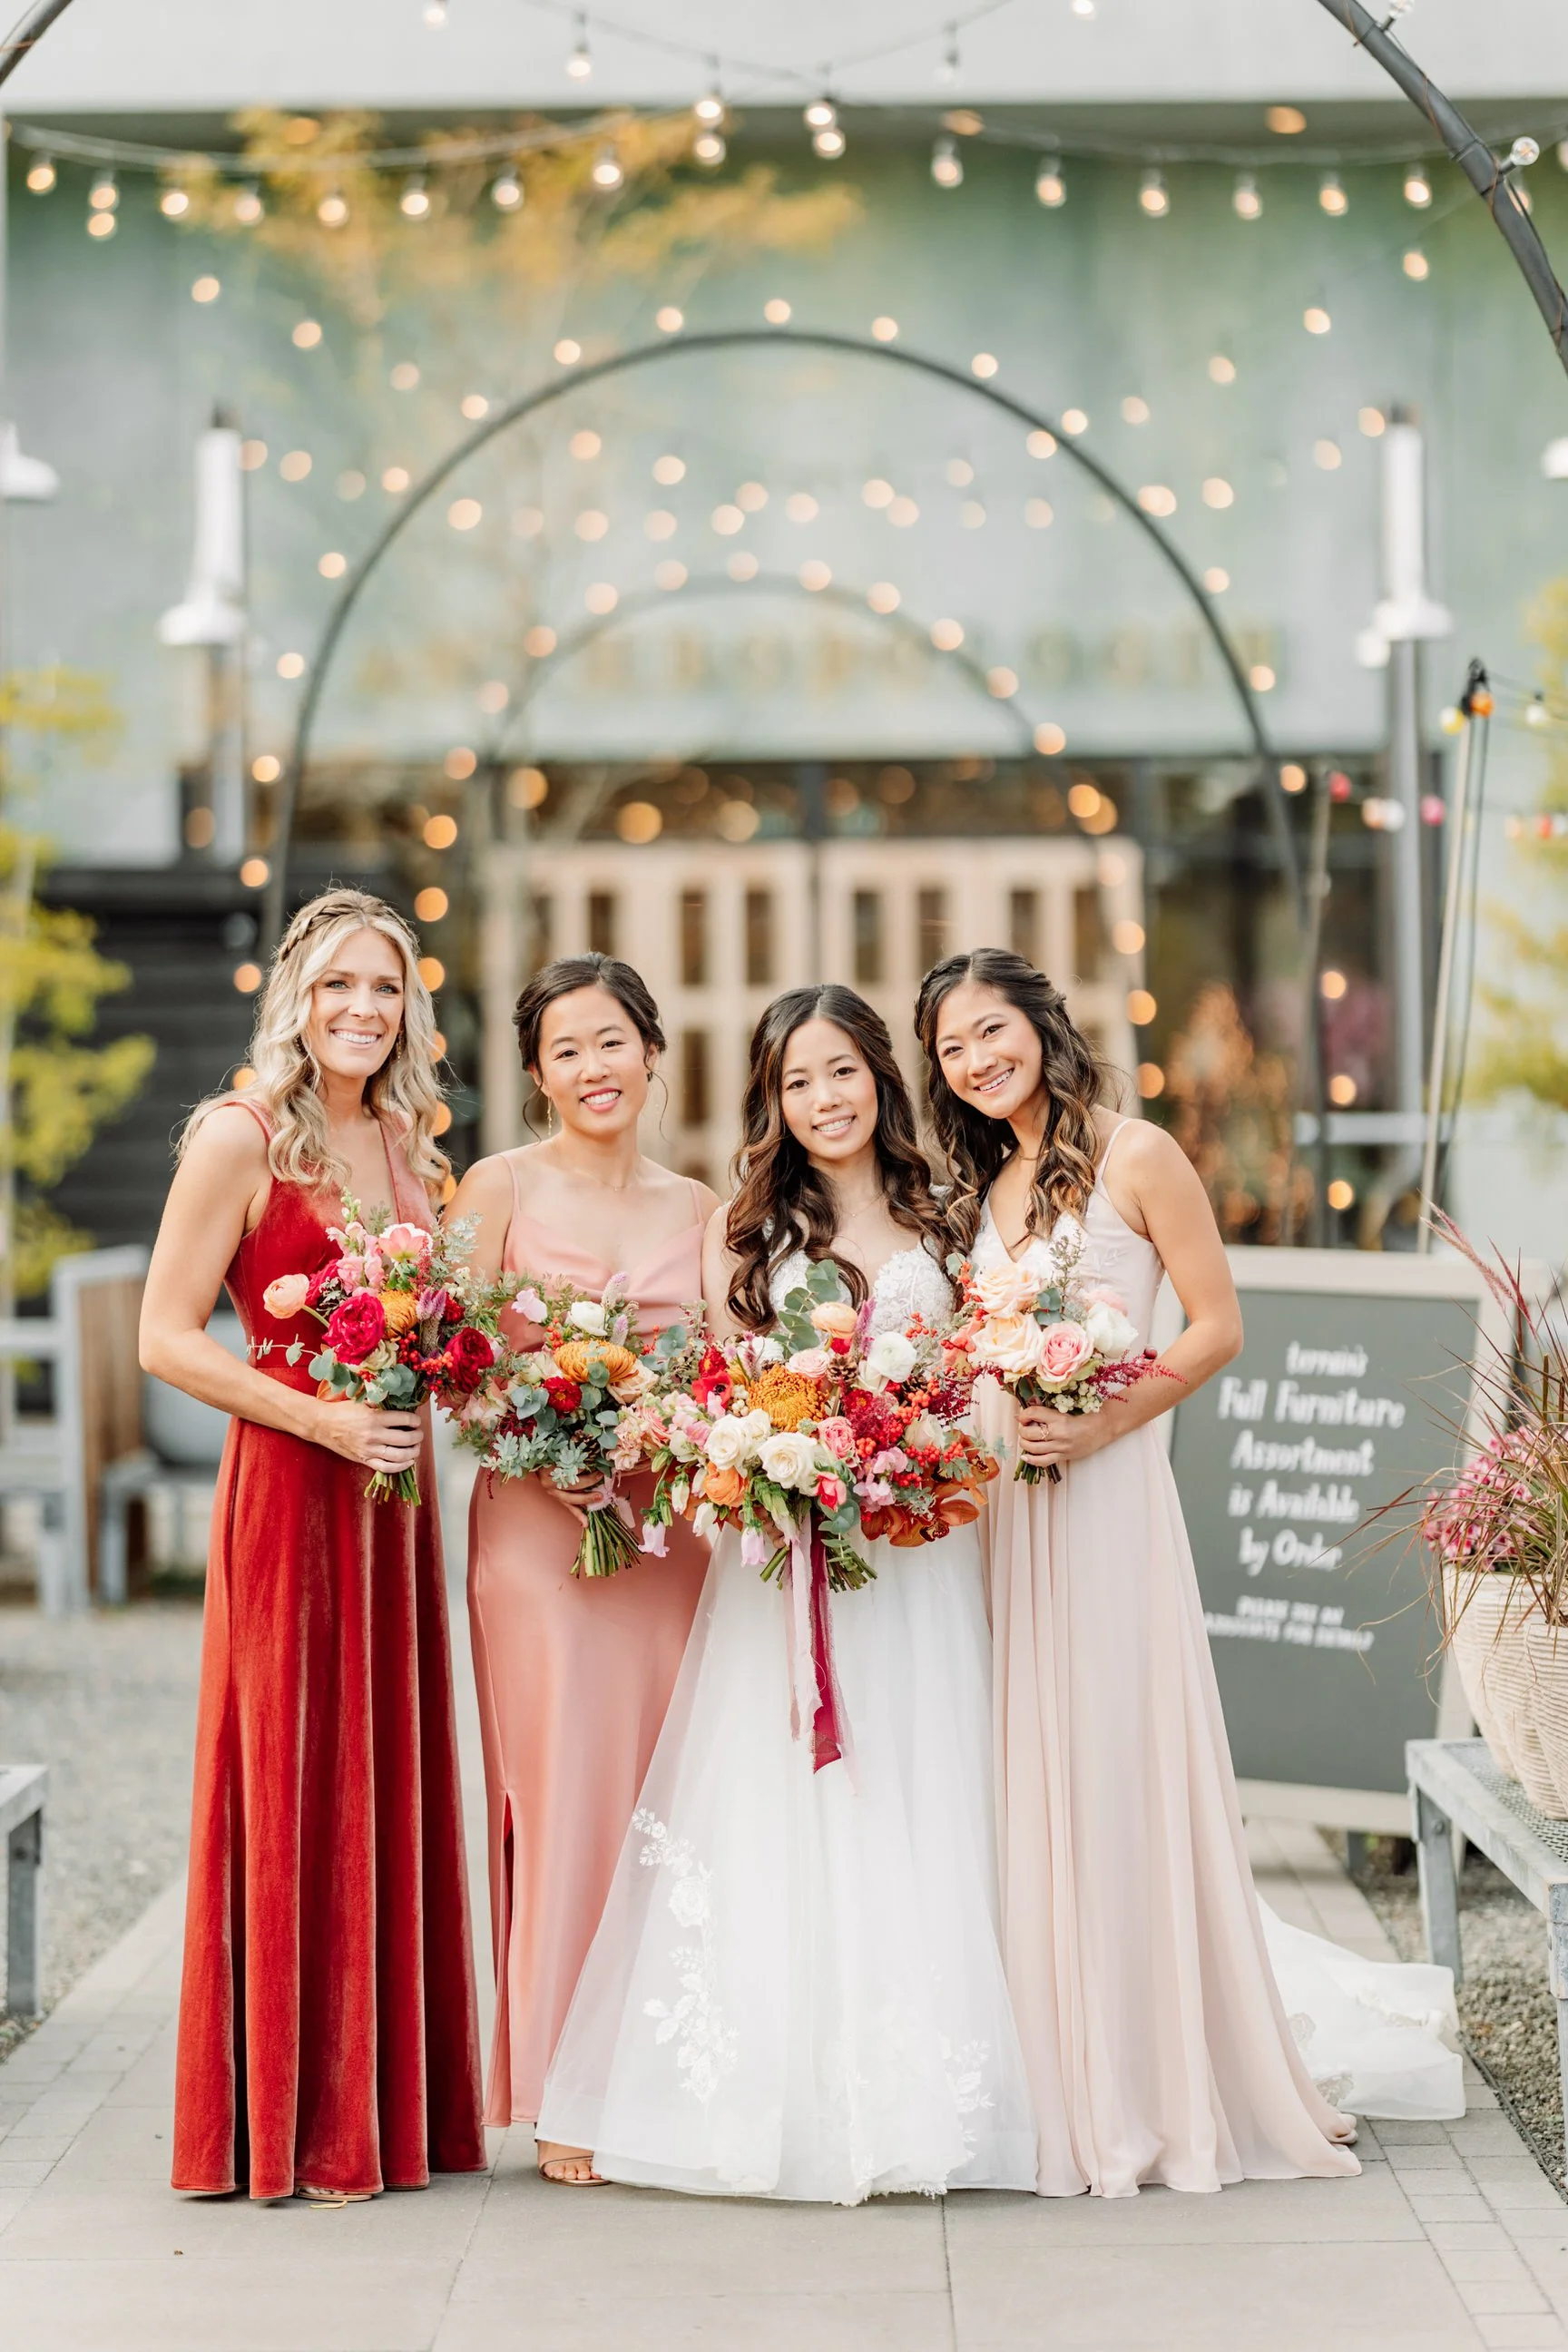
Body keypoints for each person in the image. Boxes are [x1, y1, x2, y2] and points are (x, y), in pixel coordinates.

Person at [915, 946, 1461, 2202]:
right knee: (1022, 1763)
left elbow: (1218, 1323)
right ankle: (1053, 2051)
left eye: (992, 1031)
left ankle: (1154, 2068)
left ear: (1044, 1027)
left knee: (1115, 1755)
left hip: (1105, 1503)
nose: (977, 1060)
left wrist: (1107, 1421)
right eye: (951, 1047)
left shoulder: (1139, 1154)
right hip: (1006, 1504)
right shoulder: (982, 1185)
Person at [536, 985, 1036, 2202]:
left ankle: (935, 2087)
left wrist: (917, 1456)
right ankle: (769, 2087)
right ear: (772, 1099)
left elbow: (984, 1386)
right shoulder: (743, 1232)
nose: (824, 1099)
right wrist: (768, 1460)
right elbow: (719, 1393)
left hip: (915, 1562)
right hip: (786, 1568)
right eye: (798, 1081)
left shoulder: (947, 1216)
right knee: (777, 1811)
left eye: (843, 1072)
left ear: (881, 1078)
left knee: (920, 1788)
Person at [142, 889, 485, 2204]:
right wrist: (320, 1419)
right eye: (339, 984)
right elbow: (165, 1338)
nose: (362, 1008)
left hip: (392, 1497)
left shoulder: (407, 1142)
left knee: (382, 1770)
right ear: (296, 994)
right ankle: (277, 2121)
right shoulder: (239, 1138)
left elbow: (439, 1320)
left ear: (411, 1010)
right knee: (288, 1766)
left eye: (386, 988)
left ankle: (381, 2108)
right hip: (291, 1483)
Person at [448, 955, 715, 2186]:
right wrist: (532, 1440)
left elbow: (721, 1374)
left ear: (651, 1051)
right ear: (538, 1073)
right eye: (567, 1050)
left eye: (613, 1042)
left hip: (666, 1534)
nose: (594, 1068)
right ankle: (564, 2082)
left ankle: (666, 2066)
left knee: (672, 1792)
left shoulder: (706, 1208)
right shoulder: (496, 1187)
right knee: (561, 1790)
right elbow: (447, 1359)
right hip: (539, 1529)